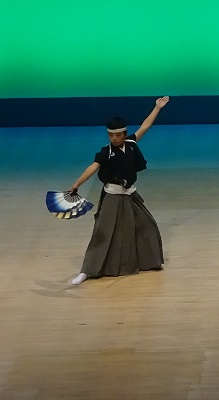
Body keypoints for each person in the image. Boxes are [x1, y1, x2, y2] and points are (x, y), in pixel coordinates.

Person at [68, 97, 170, 286]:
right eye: (110, 135)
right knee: (103, 233)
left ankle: (148, 262)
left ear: (124, 134)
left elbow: (145, 126)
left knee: (147, 225)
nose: (114, 139)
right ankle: (87, 270)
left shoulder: (130, 144)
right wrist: (77, 183)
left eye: (117, 135)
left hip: (130, 195)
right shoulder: (106, 152)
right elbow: (93, 167)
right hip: (112, 197)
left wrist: (157, 108)